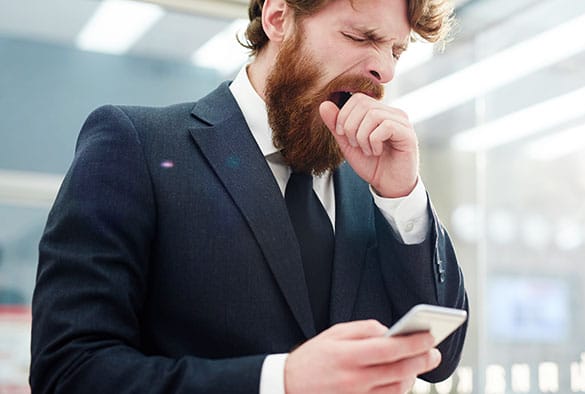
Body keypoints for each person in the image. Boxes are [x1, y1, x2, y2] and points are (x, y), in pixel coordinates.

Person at [29, 0, 468, 393]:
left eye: (396, 51)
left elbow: (439, 359)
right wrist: (283, 381)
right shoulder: (138, 145)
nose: (385, 71)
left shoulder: (374, 183)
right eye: (360, 36)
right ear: (278, 17)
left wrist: (403, 196)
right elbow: (68, 370)